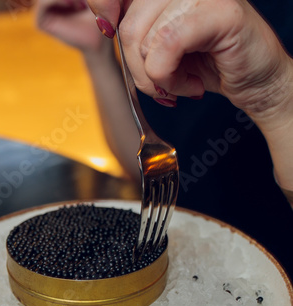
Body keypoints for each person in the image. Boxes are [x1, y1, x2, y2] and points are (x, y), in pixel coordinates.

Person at [35, 0, 293, 276]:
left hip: (275, 269)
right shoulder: (137, 15)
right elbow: (147, 163)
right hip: (199, 259)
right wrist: (98, 52)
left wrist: (278, 93)